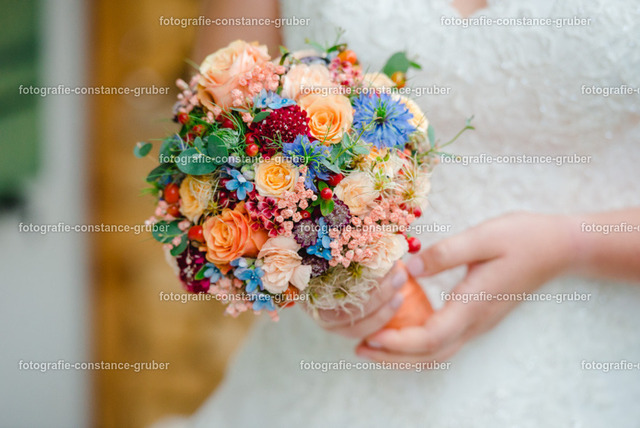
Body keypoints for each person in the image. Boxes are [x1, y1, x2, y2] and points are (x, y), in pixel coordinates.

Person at [167, 0, 640, 426]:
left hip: (579, 352)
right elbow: (213, 140)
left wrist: (572, 244)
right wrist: (311, 277)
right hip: (322, 367)